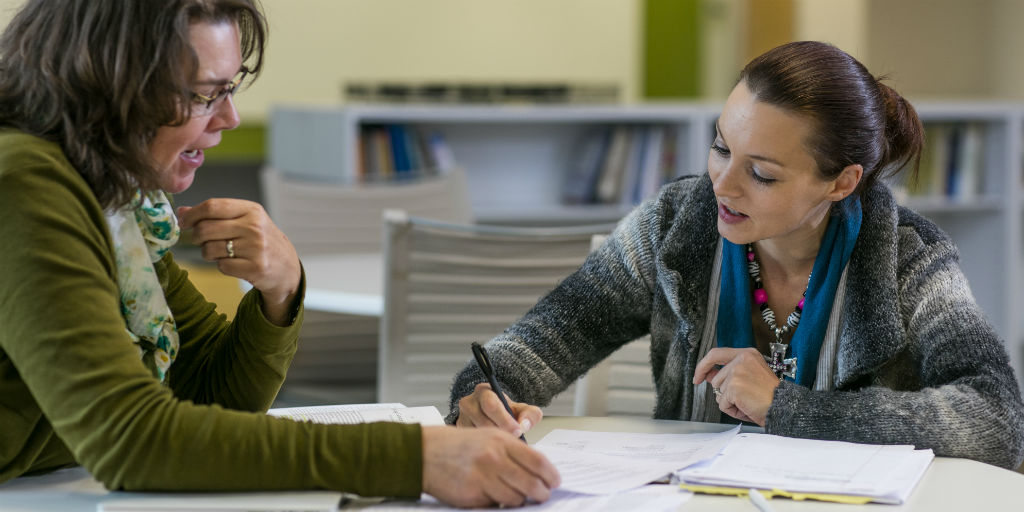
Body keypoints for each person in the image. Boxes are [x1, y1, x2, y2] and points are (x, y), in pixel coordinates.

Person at [0, 0, 559, 507]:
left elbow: (210, 398)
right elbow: (131, 439)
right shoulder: (25, 181)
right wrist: (415, 458)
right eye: (202, 94)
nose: (229, 119)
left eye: (229, 88)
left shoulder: (118, 206)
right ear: (108, 84)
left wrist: (281, 290)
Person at [448, 41, 1024, 470]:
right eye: (721, 147)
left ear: (842, 183)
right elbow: (537, 345)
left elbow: (999, 421)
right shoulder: (676, 225)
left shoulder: (907, 261)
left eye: (763, 174)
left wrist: (788, 408)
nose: (722, 185)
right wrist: (483, 394)